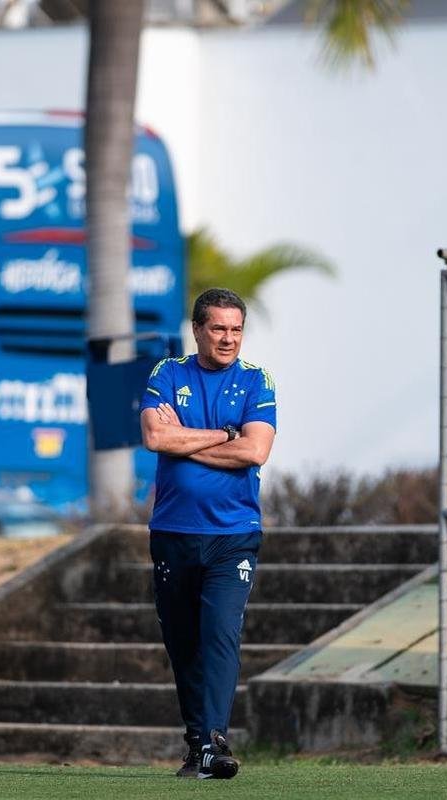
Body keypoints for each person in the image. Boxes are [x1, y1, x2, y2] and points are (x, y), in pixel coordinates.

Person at [139, 287, 277, 780]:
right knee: (183, 643)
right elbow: (155, 437)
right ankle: (196, 742)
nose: (227, 338)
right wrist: (223, 434)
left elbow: (255, 452)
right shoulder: (166, 373)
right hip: (172, 532)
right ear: (197, 329)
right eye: (217, 328)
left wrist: (186, 442)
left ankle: (215, 742)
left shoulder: (257, 381)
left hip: (234, 534)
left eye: (236, 329)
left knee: (220, 633)